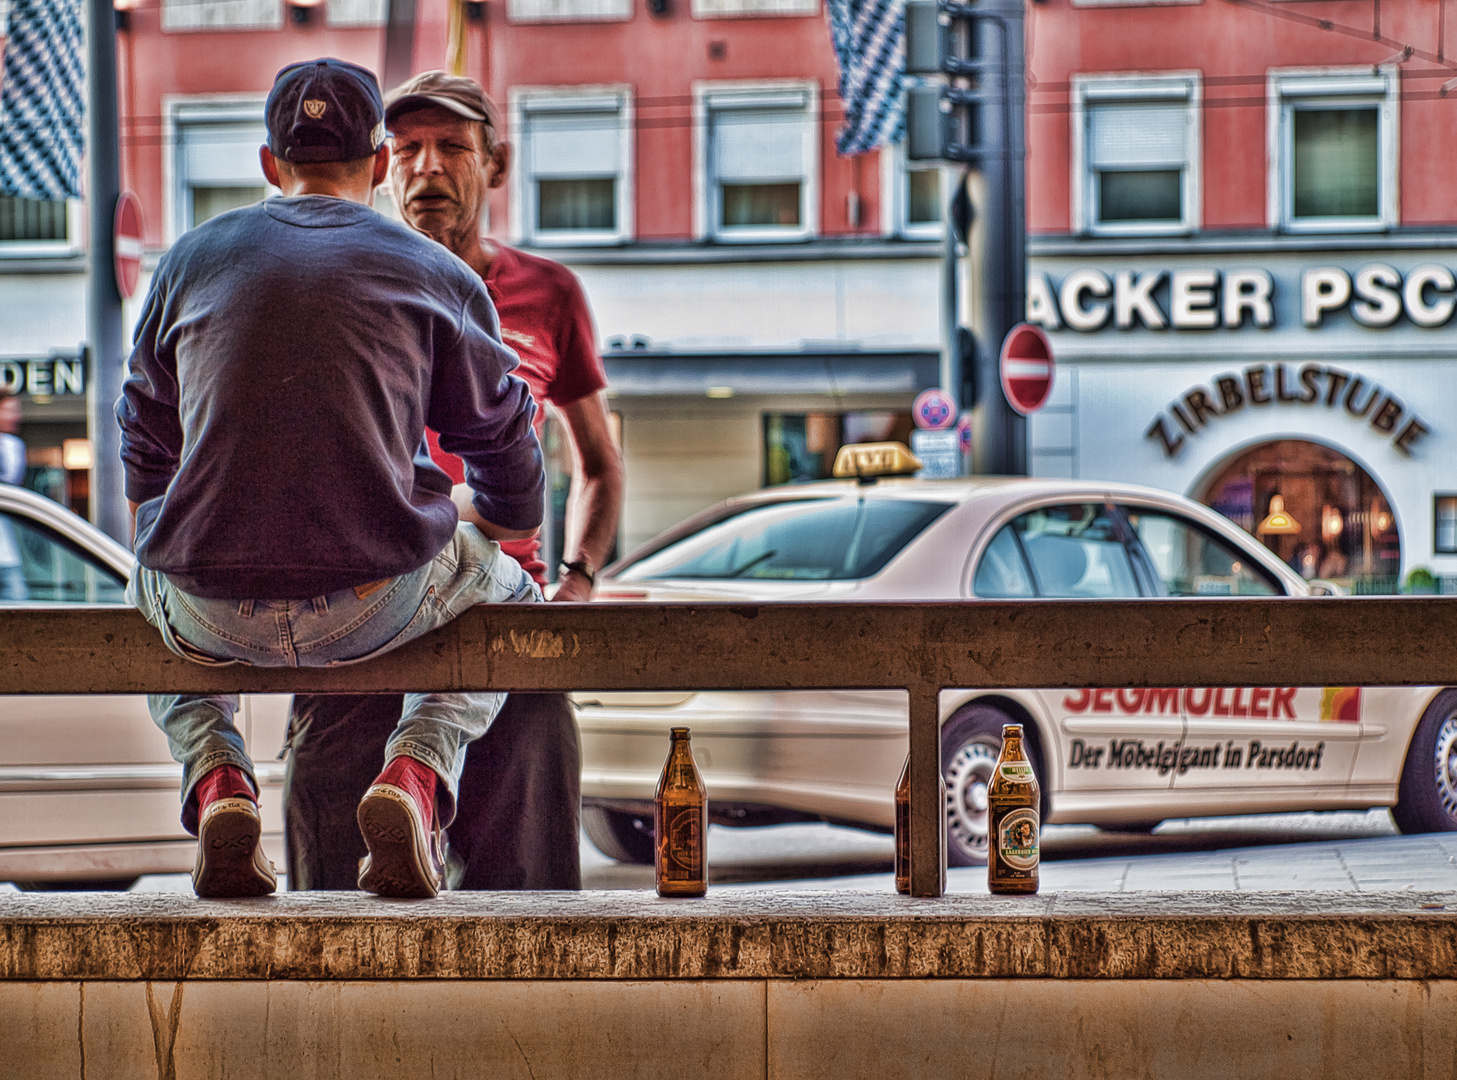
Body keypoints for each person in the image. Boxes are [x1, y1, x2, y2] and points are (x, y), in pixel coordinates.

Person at [115, 58, 545, 900]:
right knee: (512, 592)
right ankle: (417, 773)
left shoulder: (189, 263)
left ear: (270, 163)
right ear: (381, 162)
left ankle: (217, 778)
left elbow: (143, 447)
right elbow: (508, 462)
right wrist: (485, 519)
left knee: (147, 575)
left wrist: (186, 542)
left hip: (210, 610)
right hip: (373, 601)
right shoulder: (436, 272)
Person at [285, 71, 624, 892]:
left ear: (494, 166)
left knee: (531, 903)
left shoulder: (549, 292)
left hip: (504, 634)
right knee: (328, 902)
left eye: (453, 147)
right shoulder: (321, 282)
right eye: (406, 148)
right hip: (361, 620)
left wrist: (577, 580)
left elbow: (599, 461)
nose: (427, 166)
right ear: (377, 165)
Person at [0, 387, 28, 599]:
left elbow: (10, 488)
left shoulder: (13, 447)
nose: (15, 416)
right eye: (8, 410)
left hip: (7, 554)